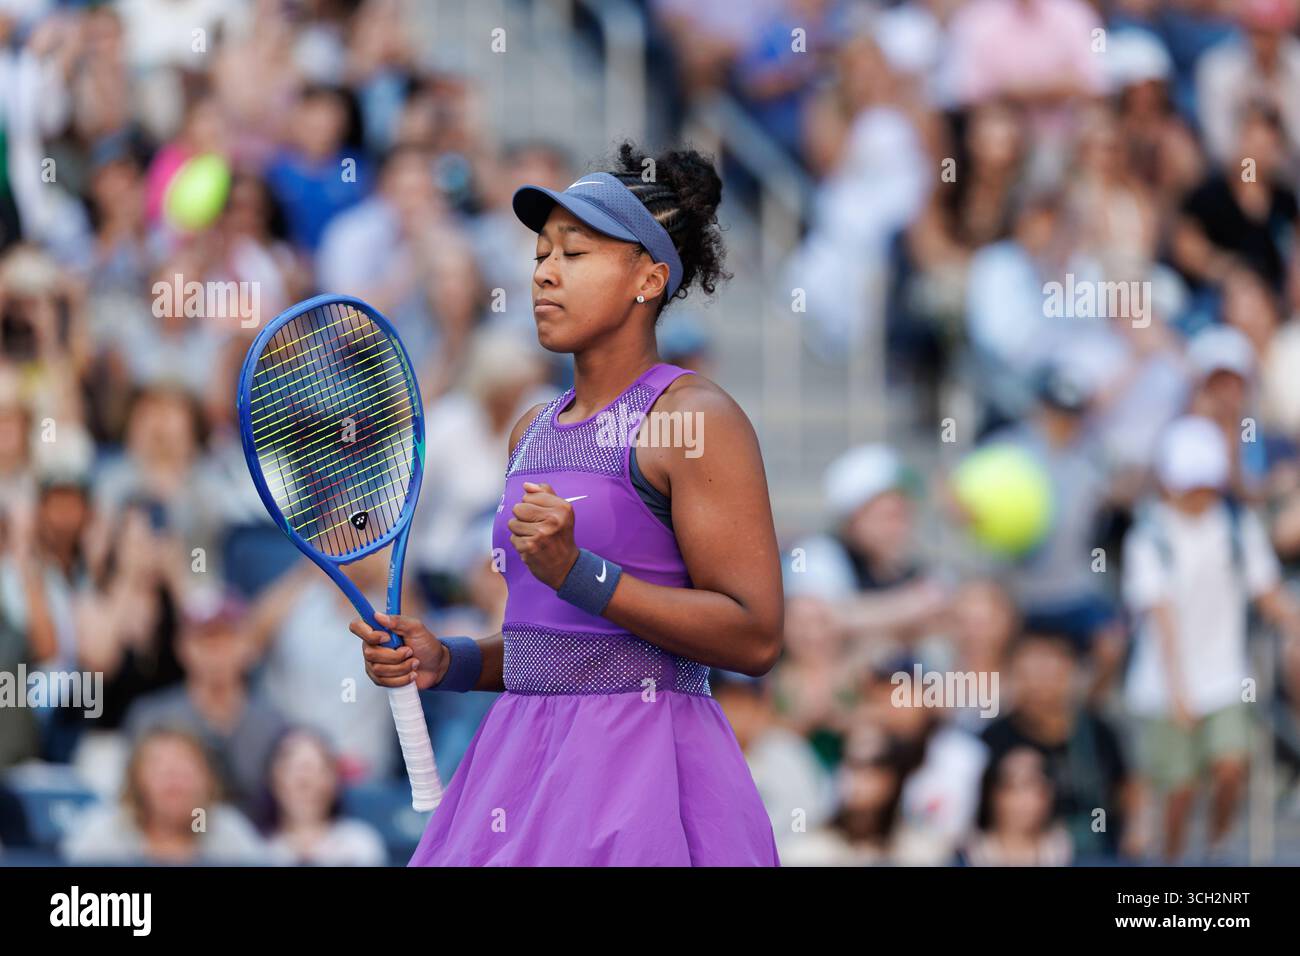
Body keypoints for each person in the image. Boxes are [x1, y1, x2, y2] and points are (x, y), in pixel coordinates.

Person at [351, 143, 784, 866]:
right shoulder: (532, 428)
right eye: (540, 255)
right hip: (518, 765)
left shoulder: (696, 417)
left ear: (648, 279)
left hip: (644, 772)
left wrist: (581, 573)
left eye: (575, 255)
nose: (545, 273)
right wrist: (449, 660)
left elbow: (755, 636)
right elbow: (556, 650)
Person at [1122, 415, 1300, 861]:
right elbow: (1161, 618)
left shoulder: (1238, 528)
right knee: (1178, 790)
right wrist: (1179, 689)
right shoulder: (1149, 536)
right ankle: (1173, 860)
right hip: (1164, 686)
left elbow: (1267, 593)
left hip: (1225, 677)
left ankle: (1216, 845)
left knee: (1230, 766)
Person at [62, 726, 267, 864]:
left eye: (185, 769)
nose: (174, 779)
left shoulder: (228, 833)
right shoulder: (104, 834)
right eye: (161, 770)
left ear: (207, 780)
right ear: (137, 780)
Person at [264, 728, 387, 867]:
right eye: (300, 781)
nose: (309, 787)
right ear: (274, 780)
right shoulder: (254, 846)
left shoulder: (360, 844)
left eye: (320, 771)